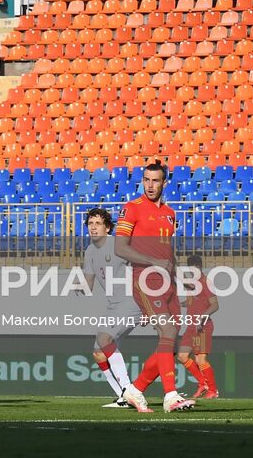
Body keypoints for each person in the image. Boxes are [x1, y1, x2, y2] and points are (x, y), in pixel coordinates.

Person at [114, 161, 195, 414]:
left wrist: (180, 277)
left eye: (155, 180)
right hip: (145, 279)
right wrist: (152, 262)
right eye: (146, 180)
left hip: (167, 281)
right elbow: (120, 248)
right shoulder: (132, 208)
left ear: (164, 182)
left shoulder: (171, 213)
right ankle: (170, 396)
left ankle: (135, 390)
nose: (150, 185)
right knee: (169, 330)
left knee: (171, 341)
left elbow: (167, 252)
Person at [79, 207, 143, 408]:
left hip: (131, 302)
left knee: (104, 338)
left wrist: (149, 304)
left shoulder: (118, 244)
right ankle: (123, 397)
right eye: (90, 223)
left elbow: (141, 268)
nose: (93, 227)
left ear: (107, 227)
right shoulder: (89, 250)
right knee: (98, 352)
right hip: (113, 306)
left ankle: (128, 392)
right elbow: (88, 284)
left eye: (98, 223)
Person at [176, 253, 218, 398]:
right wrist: (176, 305)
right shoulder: (192, 284)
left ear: (199, 268)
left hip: (203, 326)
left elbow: (215, 305)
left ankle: (213, 390)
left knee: (201, 360)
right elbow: (191, 302)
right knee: (182, 356)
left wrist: (202, 317)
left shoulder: (205, 282)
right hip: (190, 326)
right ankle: (202, 382)